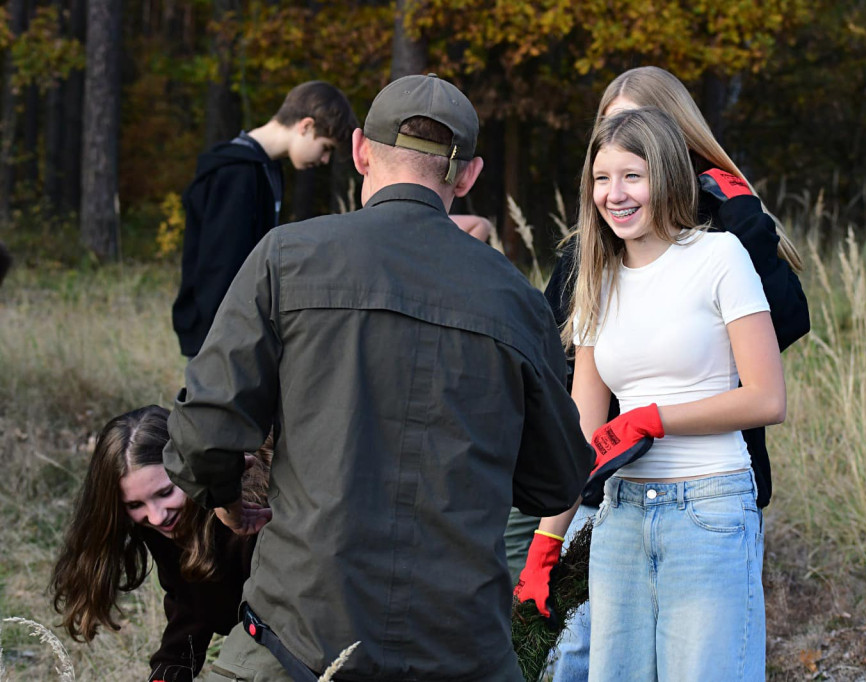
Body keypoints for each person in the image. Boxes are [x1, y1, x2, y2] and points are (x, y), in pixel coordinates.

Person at [162, 73, 592, 682]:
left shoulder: (285, 258)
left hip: (297, 638)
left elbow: (204, 432)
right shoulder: (516, 301)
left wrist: (228, 501)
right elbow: (558, 480)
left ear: (361, 149)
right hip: (459, 647)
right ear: (468, 175)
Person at [520, 107, 787, 680]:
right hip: (619, 518)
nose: (613, 194)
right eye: (601, 178)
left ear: (665, 176)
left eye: (631, 176)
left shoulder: (718, 257)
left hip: (711, 510)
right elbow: (583, 434)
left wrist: (651, 419)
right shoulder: (595, 276)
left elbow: (767, 398)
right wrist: (546, 544)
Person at [49, 405, 270, 682]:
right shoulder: (162, 529)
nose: (156, 516)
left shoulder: (253, 515)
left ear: (191, 469)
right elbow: (192, 612)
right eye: (134, 504)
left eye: (165, 492)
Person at [172, 80, 358, 357]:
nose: (324, 160)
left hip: (234, 334)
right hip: (215, 340)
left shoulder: (265, 169)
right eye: (326, 147)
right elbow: (220, 268)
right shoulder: (237, 174)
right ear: (306, 126)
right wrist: (219, 347)